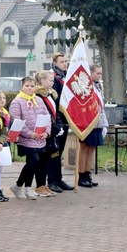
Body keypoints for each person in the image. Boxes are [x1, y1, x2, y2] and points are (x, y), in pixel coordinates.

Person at [8, 76, 50, 200]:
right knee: (34, 160)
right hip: (26, 138)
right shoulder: (17, 102)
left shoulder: (39, 100)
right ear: (22, 87)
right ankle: (18, 185)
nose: (30, 88)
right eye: (27, 86)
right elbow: (16, 120)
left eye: (32, 86)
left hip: (40, 138)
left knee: (33, 163)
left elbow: (47, 116)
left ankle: (27, 188)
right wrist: (29, 133)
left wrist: (47, 132)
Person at [76, 63, 108, 188]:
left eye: (101, 73)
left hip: (97, 122)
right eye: (97, 73)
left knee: (92, 149)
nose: (99, 76)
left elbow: (101, 107)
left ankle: (87, 173)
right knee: (84, 148)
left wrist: (104, 124)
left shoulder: (98, 86)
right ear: (90, 73)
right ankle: (81, 175)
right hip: (87, 121)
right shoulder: (86, 87)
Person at [47, 52, 75, 191]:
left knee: (60, 150)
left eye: (66, 61)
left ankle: (58, 179)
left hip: (64, 119)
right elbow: (56, 100)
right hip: (56, 120)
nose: (65, 63)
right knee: (54, 151)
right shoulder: (54, 78)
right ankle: (51, 179)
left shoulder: (65, 78)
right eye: (62, 61)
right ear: (55, 63)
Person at [33, 69, 60, 196]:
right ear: (42, 81)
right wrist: (53, 127)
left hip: (51, 130)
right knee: (42, 159)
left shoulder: (50, 95)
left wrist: (58, 125)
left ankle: (44, 184)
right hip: (43, 131)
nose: (53, 83)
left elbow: (55, 112)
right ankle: (39, 185)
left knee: (48, 158)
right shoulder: (39, 96)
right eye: (50, 80)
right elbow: (45, 114)